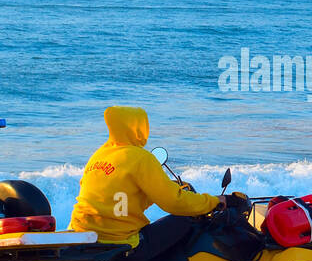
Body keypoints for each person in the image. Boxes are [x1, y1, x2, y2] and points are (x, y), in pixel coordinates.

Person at [68, 105, 220, 245]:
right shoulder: (141, 157)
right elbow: (174, 202)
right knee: (187, 219)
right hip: (118, 240)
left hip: (82, 233)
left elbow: (117, 198)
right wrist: (214, 201)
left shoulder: (99, 154)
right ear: (137, 128)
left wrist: (150, 195)